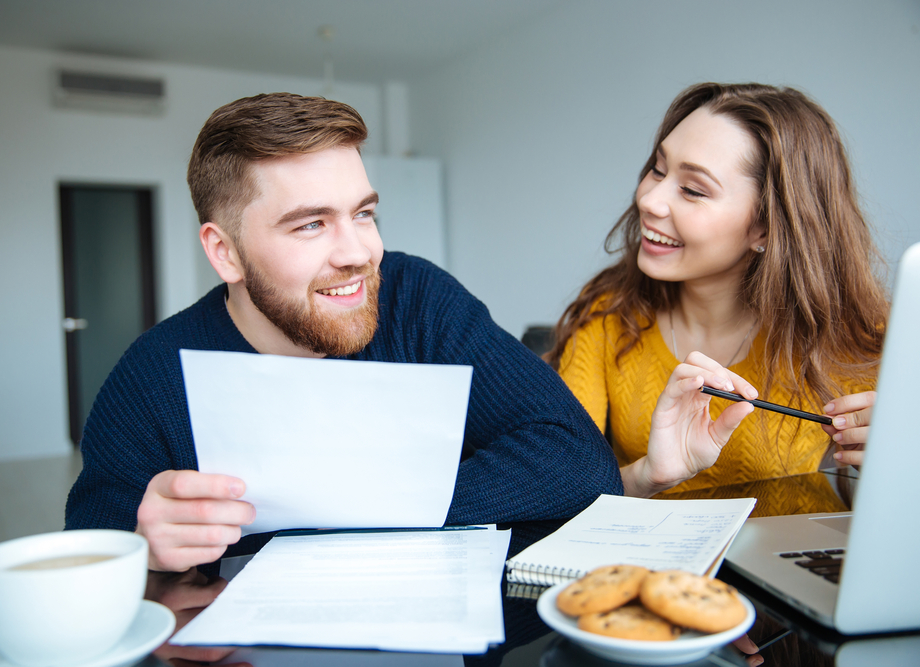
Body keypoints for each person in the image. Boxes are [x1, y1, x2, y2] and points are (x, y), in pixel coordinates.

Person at [65, 92, 626, 572]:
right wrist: (143, 551)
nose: (361, 253)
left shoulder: (417, 299)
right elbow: (87, 563)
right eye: (311, 224)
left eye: (363, 213)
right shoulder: (151, 377)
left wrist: (360, 505)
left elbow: (577, 458)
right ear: (224, 252)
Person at [546, 83, 886, 500]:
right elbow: (554, 490)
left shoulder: (856, 338)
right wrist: (647, 476)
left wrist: (896, 465)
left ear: (765, 227)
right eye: (658, 168)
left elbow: (870, 516)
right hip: (652, 565)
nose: (650, 199)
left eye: (692, 190)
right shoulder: (608, 317)